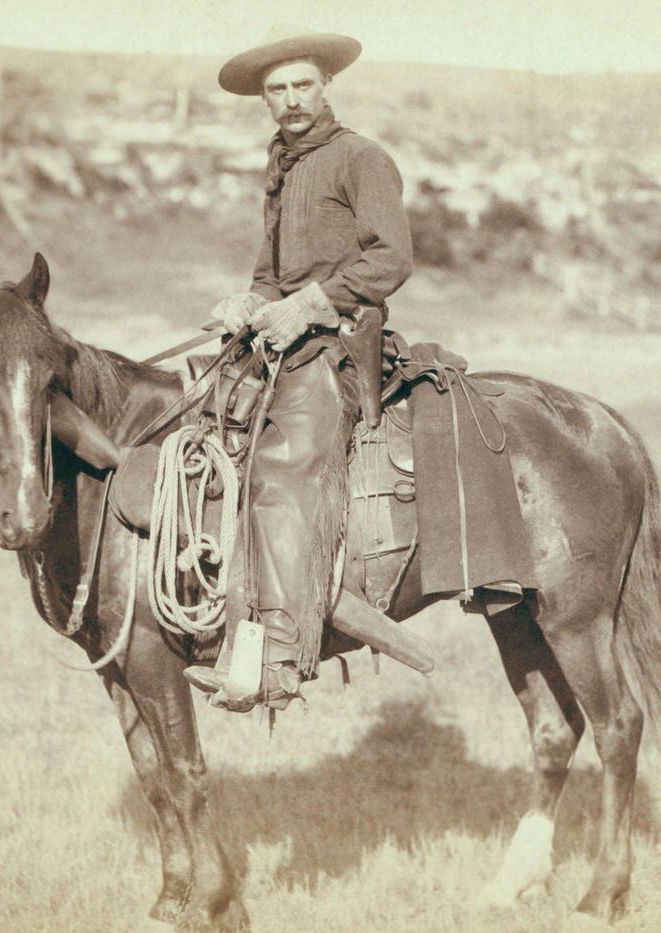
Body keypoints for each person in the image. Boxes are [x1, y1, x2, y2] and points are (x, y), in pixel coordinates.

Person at [184, 25, 414, 711]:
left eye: (302, 85)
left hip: (339, 345)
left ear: (326, 86)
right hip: (284, 340)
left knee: (285, 467)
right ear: (265, 99)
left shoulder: (360, 158)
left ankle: (281, 657)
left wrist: (310, 304)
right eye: (276, 89)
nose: (290, 99)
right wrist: (249, 303)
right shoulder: (282, 164)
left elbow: (391, 259)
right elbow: (271, 272)